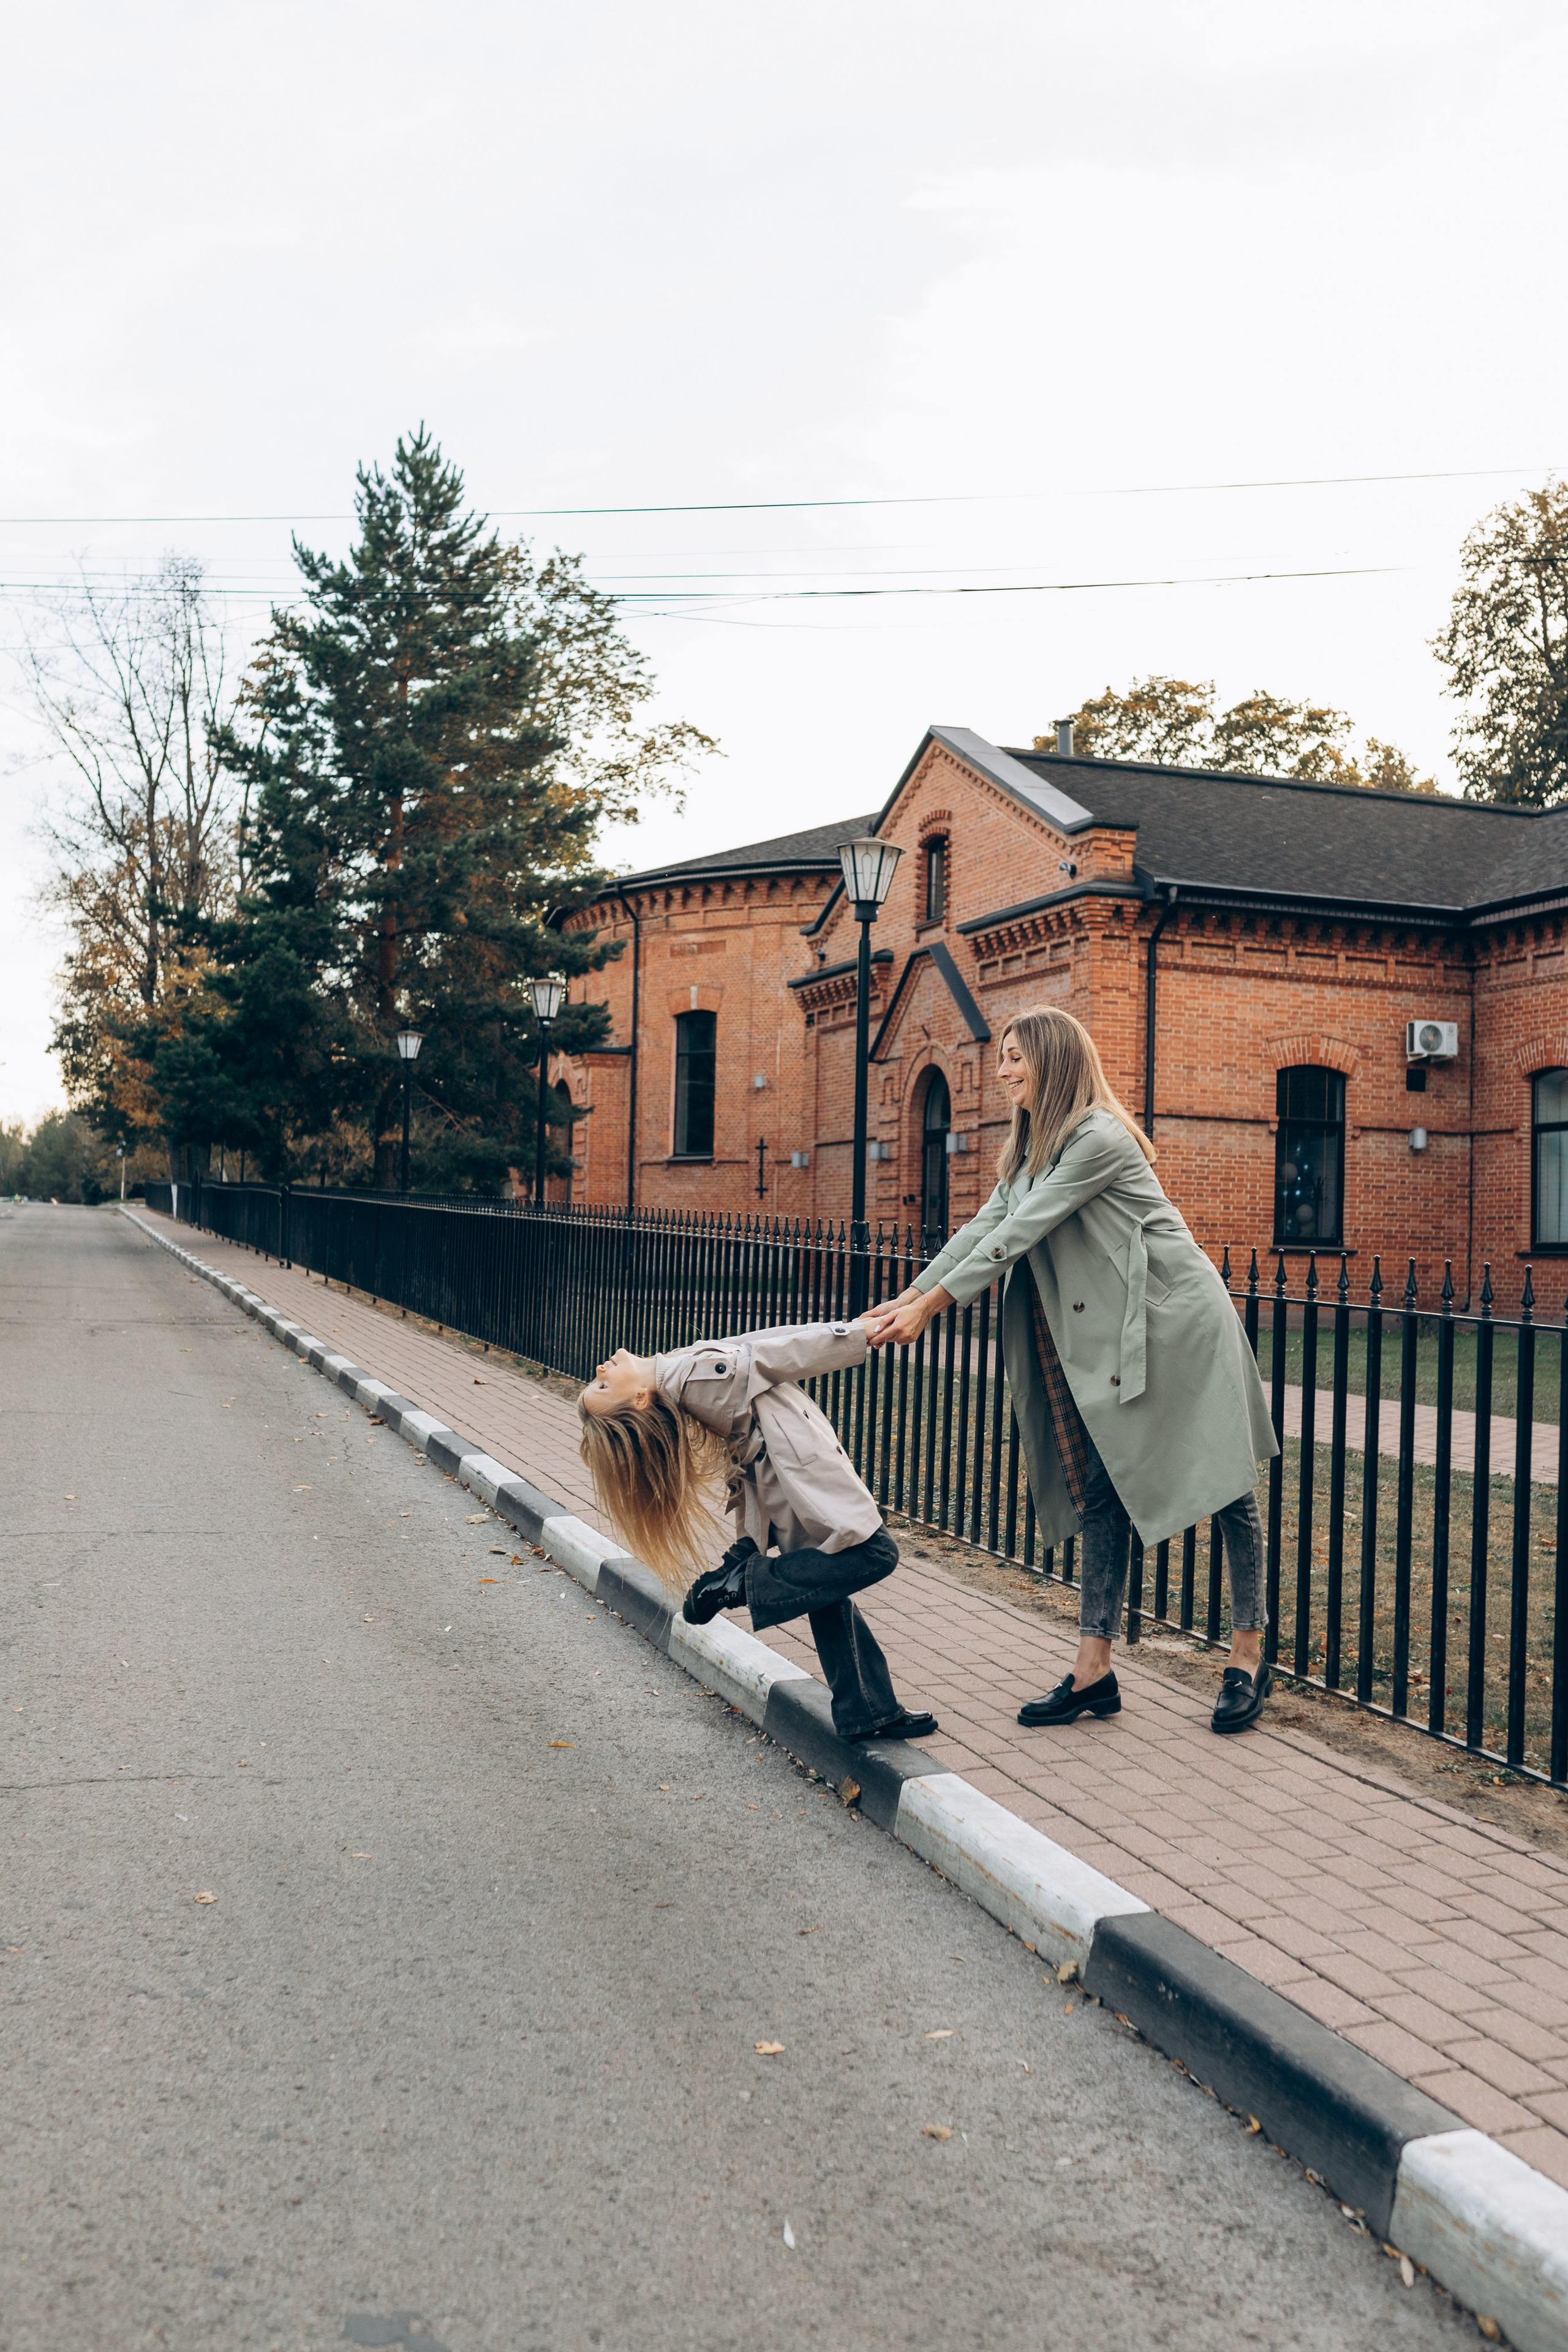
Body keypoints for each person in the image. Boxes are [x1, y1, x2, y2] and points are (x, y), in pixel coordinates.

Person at [865, 1006, 1278, 1735]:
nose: (1001, 1072)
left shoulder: (1098, 1139)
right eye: (1000, 1059)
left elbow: (1026, 1228)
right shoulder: (1034, 1149)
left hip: (1177, 1325)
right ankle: (1093, 1674)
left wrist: (932, 1308)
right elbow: (984, 1224)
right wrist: (906, 1295)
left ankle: (1247, 1656)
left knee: (1225, 1486)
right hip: (1114, 1333)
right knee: (1100, 1490)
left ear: (1052, 1061)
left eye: (1015, 1058)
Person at [578, 1319, 938, 1744]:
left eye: (596, 1382)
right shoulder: (686, 1377)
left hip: (790, 1479)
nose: (600, 1372)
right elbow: (776, 1357)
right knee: (876, 1554)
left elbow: (755, 1343)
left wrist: (852, 1326)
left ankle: (867, 1710)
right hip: (805, 1477)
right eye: (602, 1388)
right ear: (640, 1399)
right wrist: (858, 1337)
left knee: (827, 1591)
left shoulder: (676, 1368)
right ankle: (744, 1584)